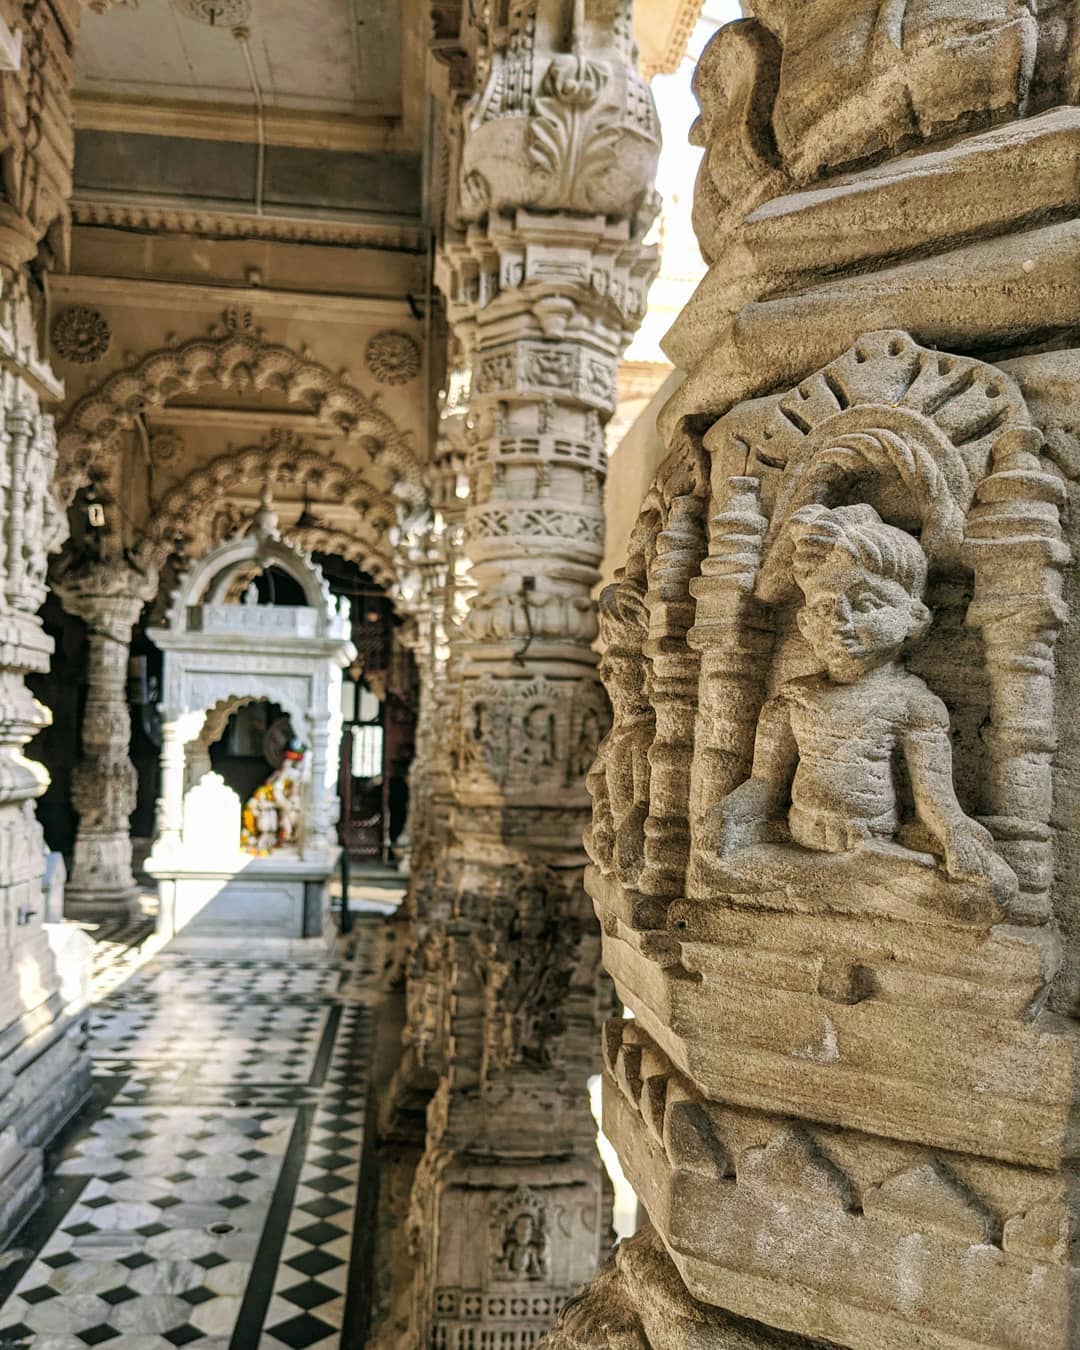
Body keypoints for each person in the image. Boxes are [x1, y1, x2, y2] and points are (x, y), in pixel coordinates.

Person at [702, 503, 1002, 884]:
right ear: (805, 623)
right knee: (714, 865)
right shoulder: (792, 701)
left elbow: (935, 804)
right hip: (795, 844)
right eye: (825, 607)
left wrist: (957, 834)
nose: (840, 621)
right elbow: (763, 785)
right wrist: (726, 814)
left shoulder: (915, 705)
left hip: (870, 849)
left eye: (865, 604)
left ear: (914, 617)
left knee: (981, 891)